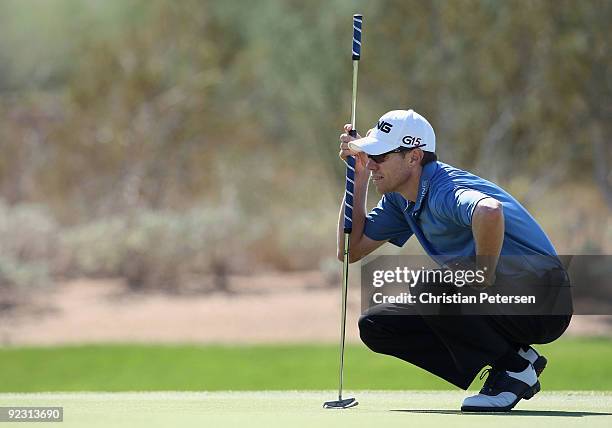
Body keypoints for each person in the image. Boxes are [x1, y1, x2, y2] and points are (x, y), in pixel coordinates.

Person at [337, 109, 572, 412]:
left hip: (545, 298)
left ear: (414, 156)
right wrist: (357, 175)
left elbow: (489, 211)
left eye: (379, 157)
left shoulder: (443, 189)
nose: (372, 164)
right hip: (507, 300)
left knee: (429, 286)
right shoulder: (400, 199)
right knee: (377, 325)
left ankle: (513, 374)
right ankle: (515, 359)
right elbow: (350, 250)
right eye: (369, 156)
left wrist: (481, 275)